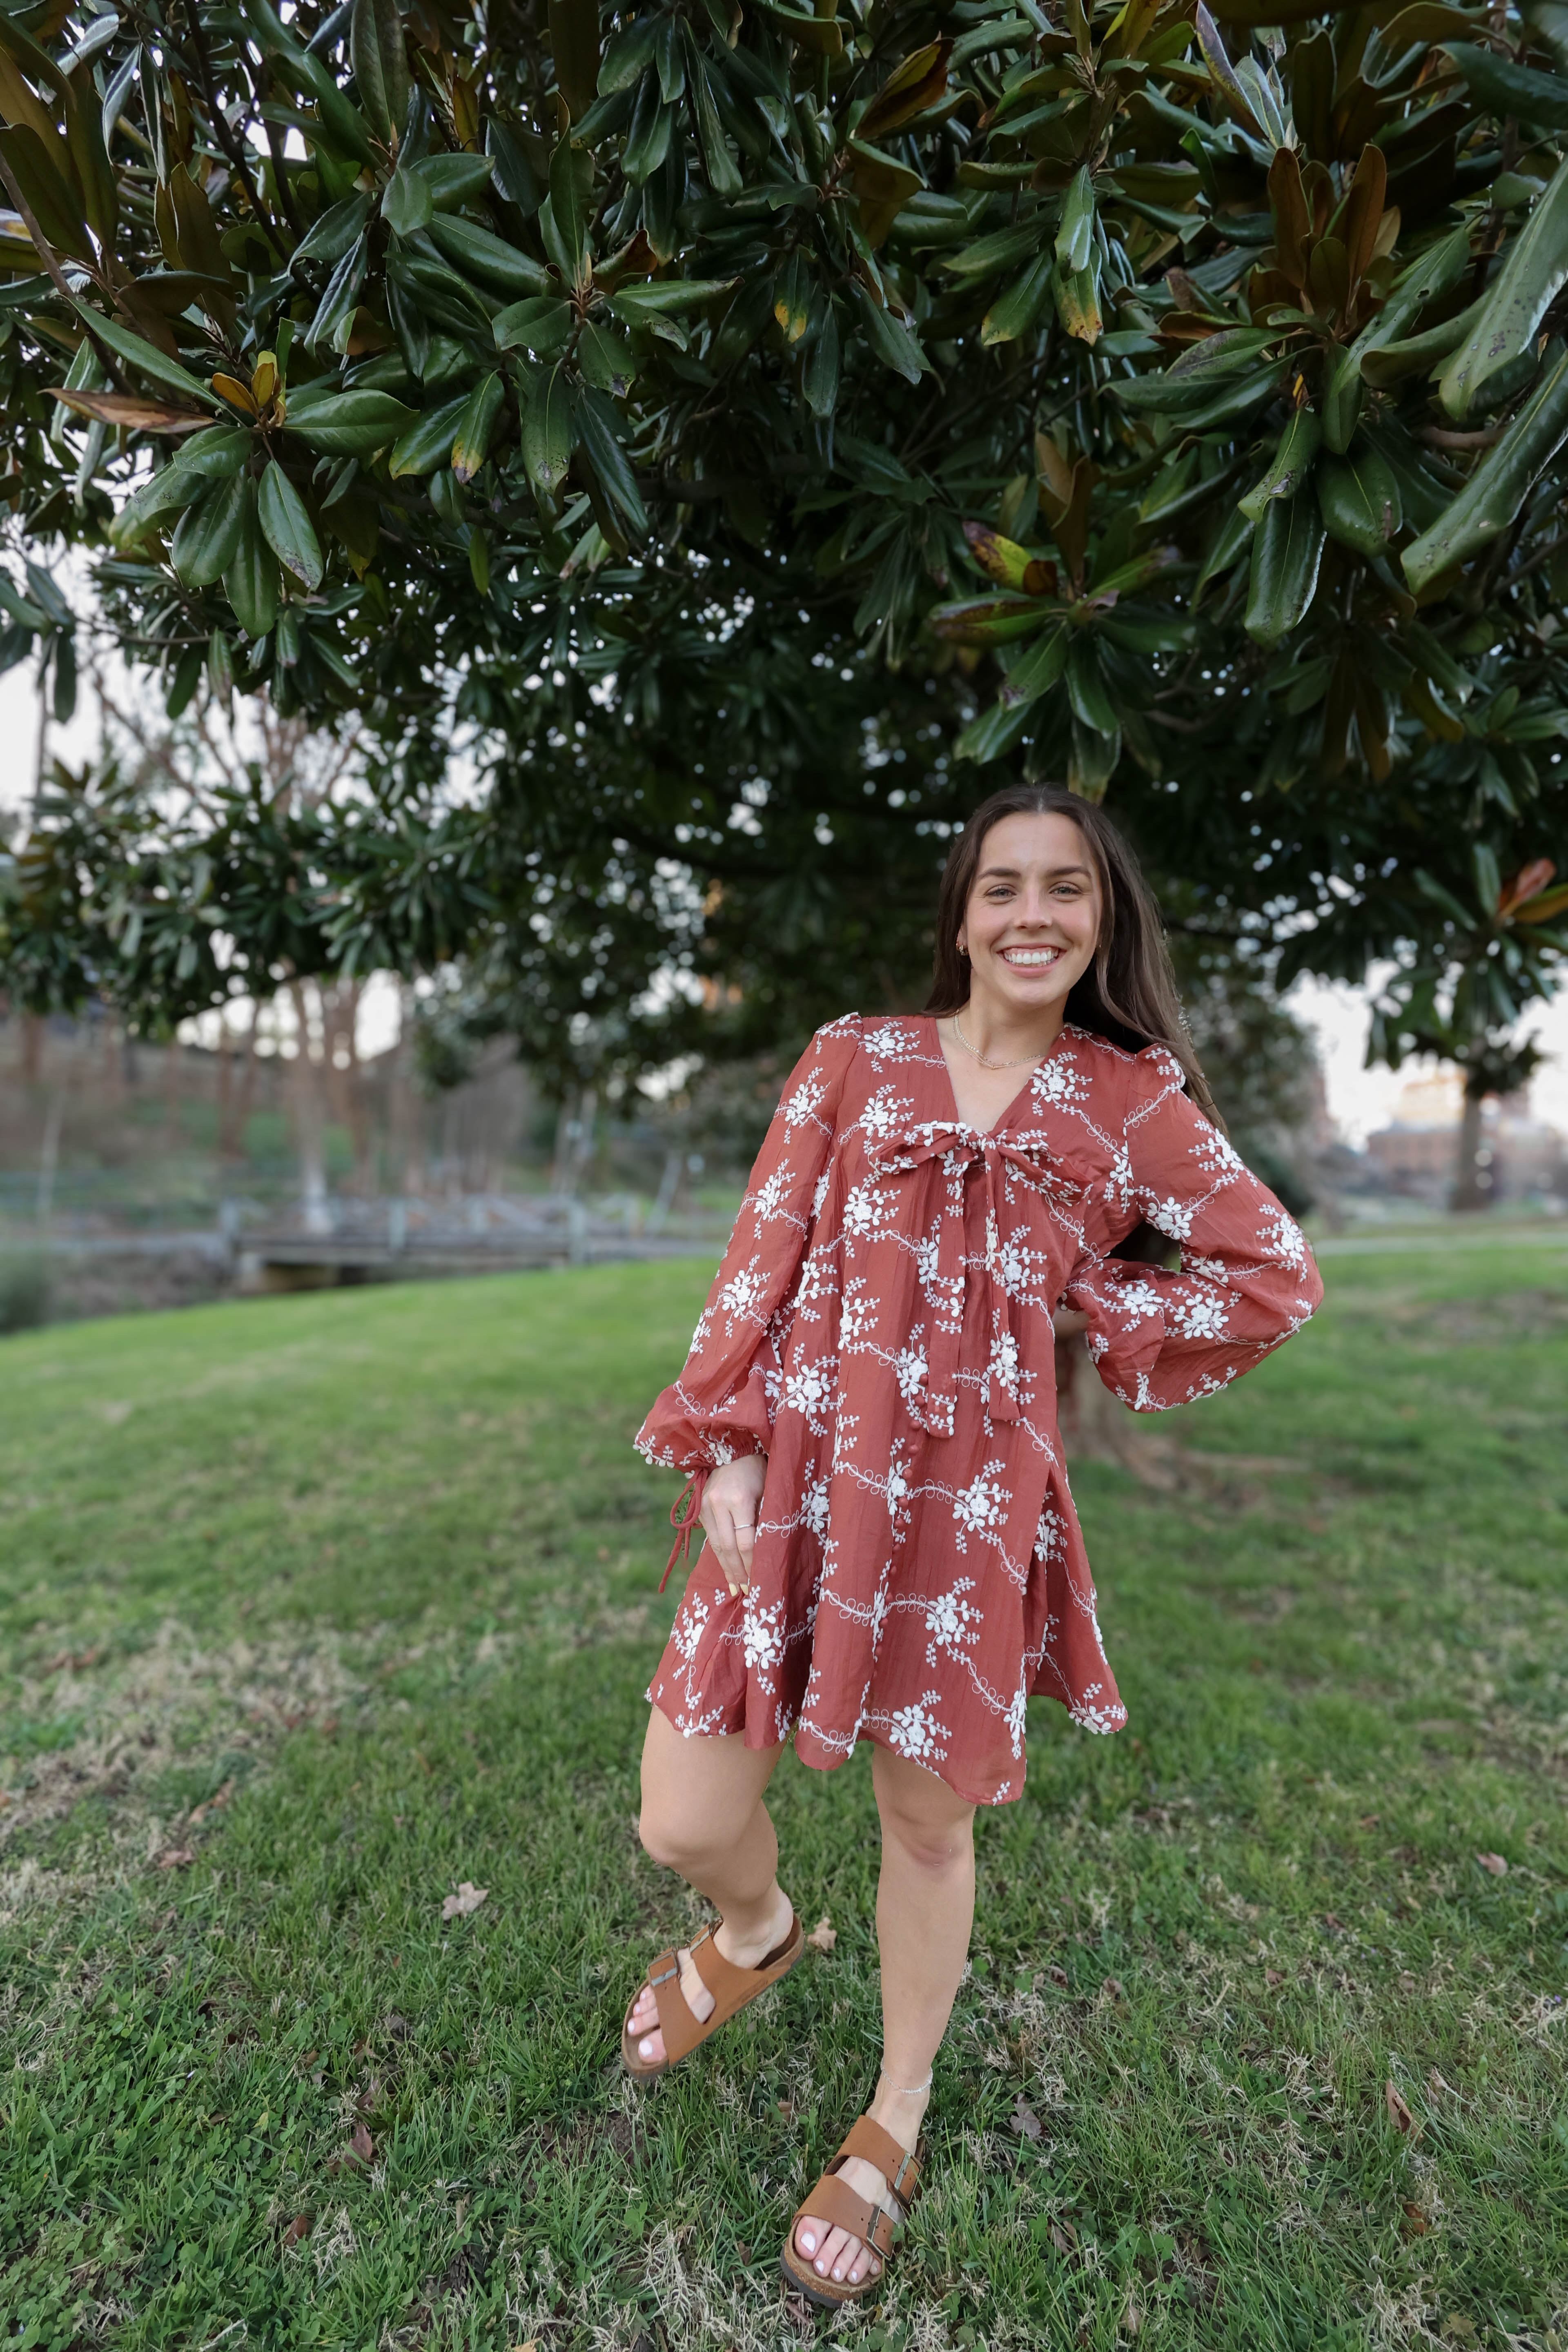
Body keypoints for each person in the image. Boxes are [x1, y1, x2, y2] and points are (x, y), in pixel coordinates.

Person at [624, 783, 1324, 2306]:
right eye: (1001, 887)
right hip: (803, 1483)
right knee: (681, 1815)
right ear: (961, 914)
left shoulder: (1133, 1103)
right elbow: (762, 1256)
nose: (1031, 915)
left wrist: (1096, 1305)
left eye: (1064, 890)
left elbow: (1276, 1275)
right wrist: (727, 1439)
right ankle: (759, 1928)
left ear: (1100, 919)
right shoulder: (854, 1060)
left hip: (968, 1514)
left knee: (929, 1825)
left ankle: (895, 2120)